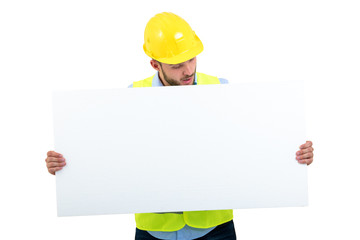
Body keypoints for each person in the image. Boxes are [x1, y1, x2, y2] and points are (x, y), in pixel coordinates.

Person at [45, 12, 314, 240]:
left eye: (192, 59)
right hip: (154, 232)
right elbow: (110, 156)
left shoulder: (221, 90)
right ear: (154, 64)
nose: (188, 70)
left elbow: (250, 148)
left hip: (215, 228)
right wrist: (68, 167)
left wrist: (292, 156)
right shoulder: (130, 98)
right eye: (176, 65)